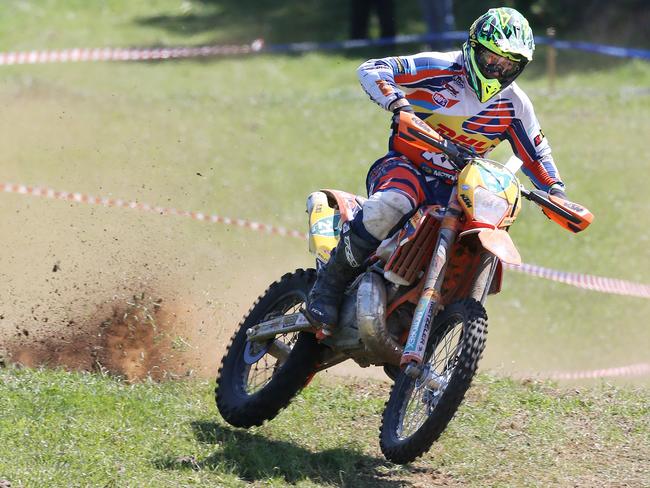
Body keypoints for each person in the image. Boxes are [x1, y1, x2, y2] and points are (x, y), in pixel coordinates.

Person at [305, 7, 567, 333]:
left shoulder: (515, 104)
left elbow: (536, 153)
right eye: (491, 58)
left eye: (508, 64)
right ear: (473, 47)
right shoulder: (439, 66)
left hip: (458, 188)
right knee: (395, 204)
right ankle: (328, 286)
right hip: (406, 166)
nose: (497, 69)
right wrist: (399, 105)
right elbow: (372, 68)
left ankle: (428, 319)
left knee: (481, 233)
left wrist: (555, 190)